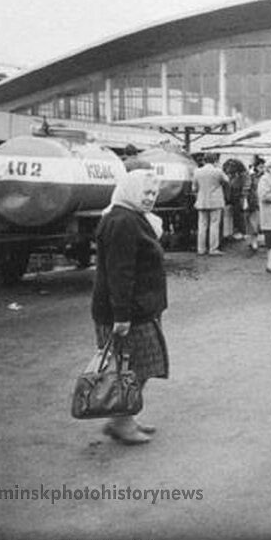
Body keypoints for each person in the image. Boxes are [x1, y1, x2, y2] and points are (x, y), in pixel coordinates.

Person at [91, 169, 169, 445]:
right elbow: (119, 272)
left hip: (139, 309)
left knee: (140, 365)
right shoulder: (122, 220)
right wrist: (121, 315)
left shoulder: (132, 217)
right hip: (126, 314)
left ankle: (123, 418)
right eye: (145, 193)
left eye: (153, 194)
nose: (150, 198)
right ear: (130, 191)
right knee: (132, 368)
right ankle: (121, 422)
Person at [191, 153, 229, 256]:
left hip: (202, 201)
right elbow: (227, 180)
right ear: (215, 161)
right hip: (215, 201)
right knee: (214, 225)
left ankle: (201, 249)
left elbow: (194, 188)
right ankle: (213, 249)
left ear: (204, 160)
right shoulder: (218, 171)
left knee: (202, 226)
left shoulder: (197, 171)